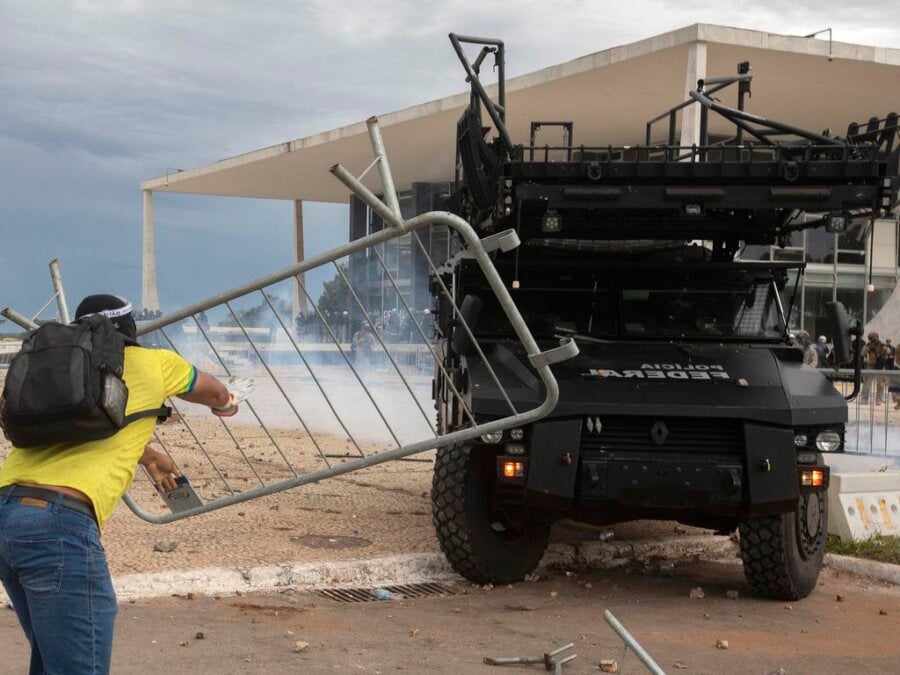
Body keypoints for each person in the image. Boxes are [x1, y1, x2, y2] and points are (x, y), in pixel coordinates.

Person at [0, 294, 248, 674]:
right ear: (129, 328)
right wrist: (228, 403)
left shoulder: (70, 375)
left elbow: (89, 431)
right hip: (58, 527)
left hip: (8, 513)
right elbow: (212, 390)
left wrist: (149, 456)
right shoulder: (155, 363)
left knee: (52, 659)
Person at [860, 331, 889, 404]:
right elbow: (888, 352)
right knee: (881, 385)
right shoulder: (882, 345)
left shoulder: (869, 345)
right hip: (880, 367)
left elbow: (862, 353)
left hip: (871, 366)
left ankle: (864, 399)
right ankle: (878, 400)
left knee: (867, 384)